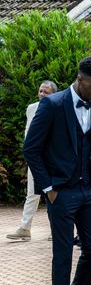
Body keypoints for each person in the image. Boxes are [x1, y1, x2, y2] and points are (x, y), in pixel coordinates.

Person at [23, 56, 91, 285]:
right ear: (80, 79)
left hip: (90, 191)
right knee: (62, 255)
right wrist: (48, 188)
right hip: (61, 193)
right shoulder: (53, 104)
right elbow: (31, 149)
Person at [6, 81, 57, 241]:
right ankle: (25, 228)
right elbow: (29, 133)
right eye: (41, 91)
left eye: (46, 92)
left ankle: (55, 230)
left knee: (53, 194)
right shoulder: (31, 108)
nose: (42, 94)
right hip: (35, 159)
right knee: (31, 194)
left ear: (53, 94)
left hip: (50, 160)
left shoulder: (57, 108)